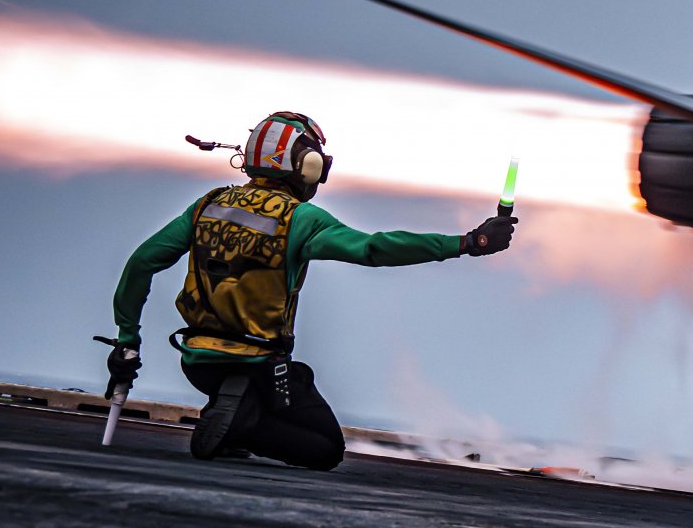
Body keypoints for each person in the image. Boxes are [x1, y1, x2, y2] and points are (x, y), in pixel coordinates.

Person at [106, 111, 515, 470]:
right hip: (259, 364)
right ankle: (239, 424)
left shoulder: (208, 205)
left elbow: (142, 262)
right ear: (305, 166)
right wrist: (468, 242)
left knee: (297, 379)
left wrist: (127, 340)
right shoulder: (300, 219)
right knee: (324, 448)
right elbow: (373, 249)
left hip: (199, 363)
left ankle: (229, 417)